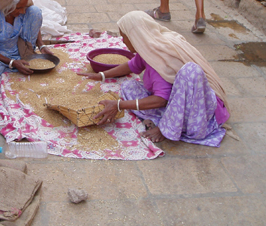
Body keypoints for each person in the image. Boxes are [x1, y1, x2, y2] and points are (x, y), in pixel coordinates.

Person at [79, 11, 230, 147]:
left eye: (124, 37)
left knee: (190, 71)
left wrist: (119, 105)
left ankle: (166, 128)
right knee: (129, 87)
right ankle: (168, 121)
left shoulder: (161, 58)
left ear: (136, 37)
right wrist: (102, 75)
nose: (123, 41)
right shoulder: (148, 47)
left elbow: (160, 100)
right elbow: (132, 65)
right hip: (176, 99)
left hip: (199, 109)